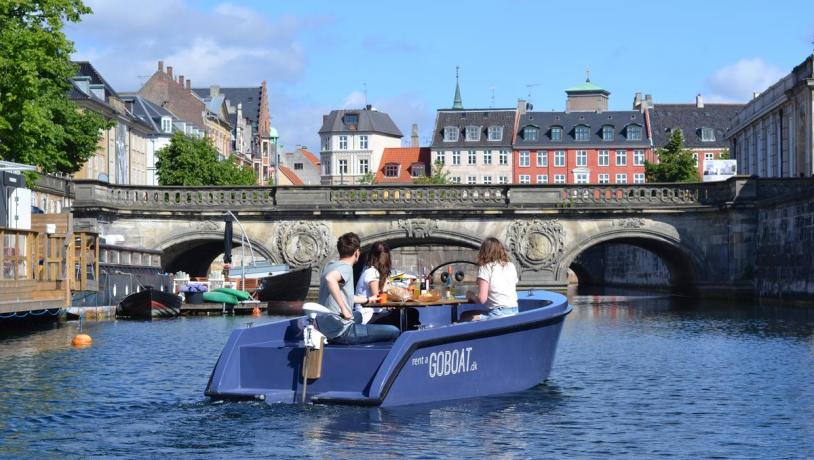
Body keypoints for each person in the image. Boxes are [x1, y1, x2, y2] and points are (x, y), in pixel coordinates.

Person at [316, 232, 400, 344]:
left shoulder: (329, 265)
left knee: (359, 315)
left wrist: (368, 300)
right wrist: (344, 309)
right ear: (357, 253)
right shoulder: (346, 268)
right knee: (394, 330)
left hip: (324, 325)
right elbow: (330, 279)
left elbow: (347, 296)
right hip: (341, 332)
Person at [462, 237, 519, 321]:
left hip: (498, 314)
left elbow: (482, 299)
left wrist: (471, 295)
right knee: (467, 314)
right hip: (514, 311)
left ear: (484, 252)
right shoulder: (510, 265)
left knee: (464, 316)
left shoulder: (486, 267)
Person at [354, 241, 391, 324]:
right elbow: (377, 298)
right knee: (410, 314)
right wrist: (386, 287)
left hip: (372, 313)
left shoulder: (368, 270)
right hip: (367, 316)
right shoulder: (372, 272)